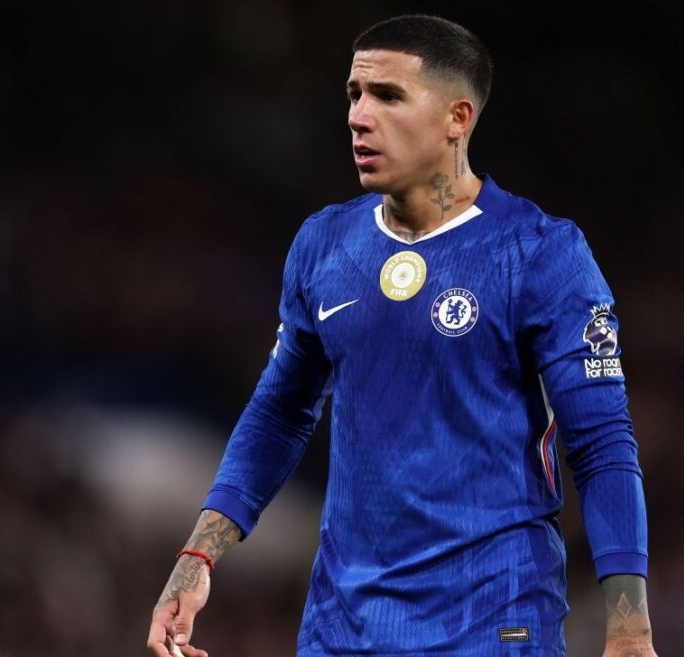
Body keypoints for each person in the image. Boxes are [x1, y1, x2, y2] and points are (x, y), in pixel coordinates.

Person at [147, 14, 658, 657]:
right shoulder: (325, 245)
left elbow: (603, 444)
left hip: (493, 624)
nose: (359, 117)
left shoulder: (540, 254)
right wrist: (197, 557)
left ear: (456, 118)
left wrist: (630, 627)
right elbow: (278, 413)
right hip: (342, 629)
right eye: (354, 95)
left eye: (387, 96)